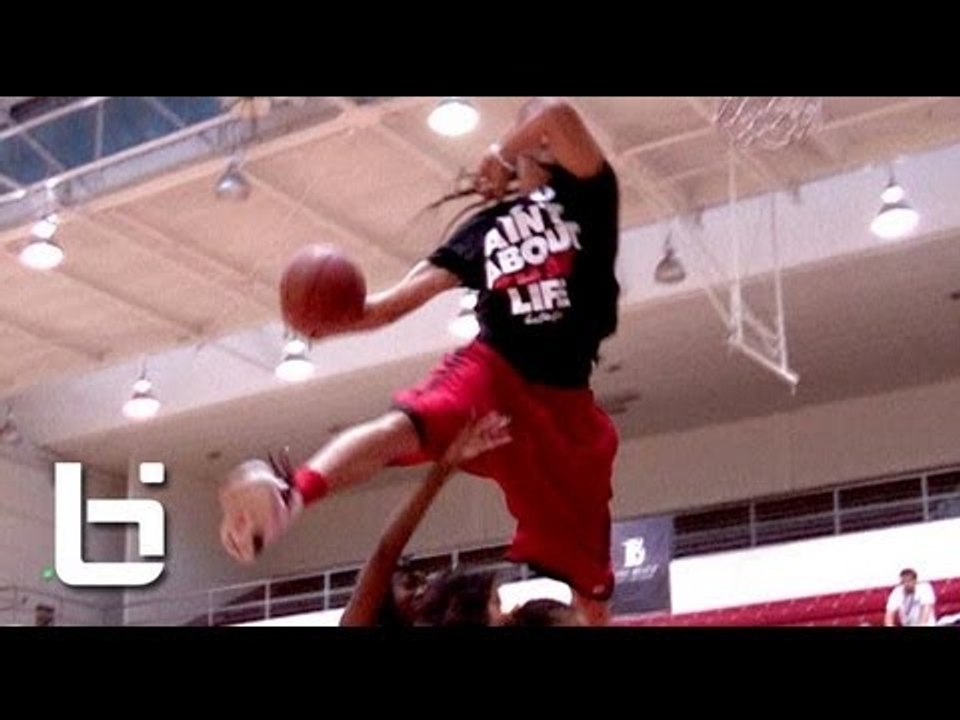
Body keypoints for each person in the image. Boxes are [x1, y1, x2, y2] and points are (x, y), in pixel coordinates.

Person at [220, 97, 621, 625]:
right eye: (527, 140)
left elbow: (556, 113)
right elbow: (386, 308)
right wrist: (330, 322)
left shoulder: (589, 197)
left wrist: (504, 147)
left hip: (564, 403)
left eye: (537, 140)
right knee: (405, 425)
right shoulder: (486, 229)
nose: (536, 143)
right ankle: (292, 496)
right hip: (494, 370)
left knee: (591, 585)